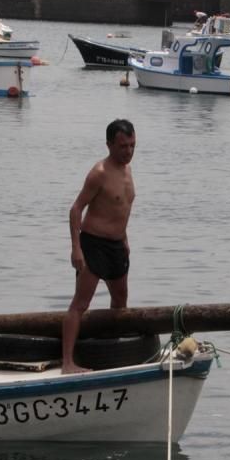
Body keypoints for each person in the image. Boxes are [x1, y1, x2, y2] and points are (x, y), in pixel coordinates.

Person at [61, 119, 137, 374]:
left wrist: (125, 240)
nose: (128, 151)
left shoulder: (128, 170)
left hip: (117, 246)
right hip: (93, 245)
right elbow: (76, 209)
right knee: (80, 304)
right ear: (109, 145)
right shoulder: (99, 172)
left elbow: (120, 209)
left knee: (120, 299)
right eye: (123, 146)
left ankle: (113, 351)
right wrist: (76, 248)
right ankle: (68, 363)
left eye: (132, 145)